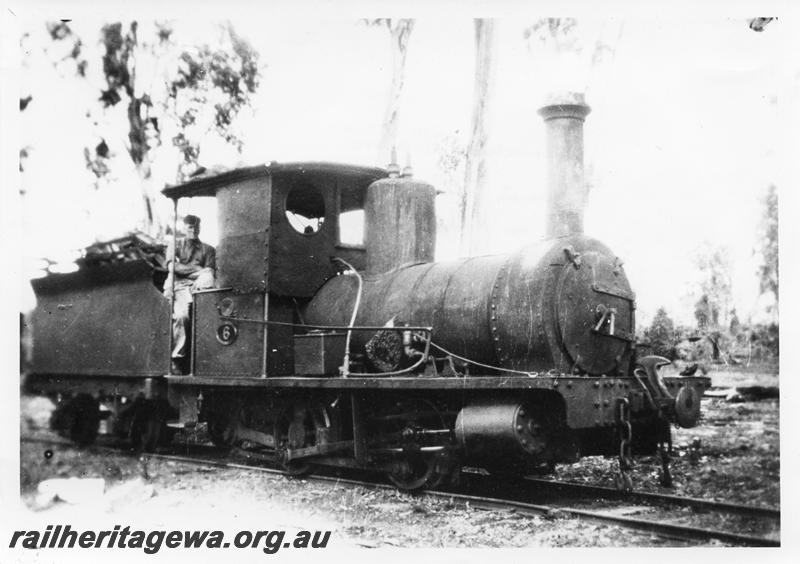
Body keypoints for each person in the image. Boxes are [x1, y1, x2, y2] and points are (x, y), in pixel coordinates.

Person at [164, 214, 215, 374]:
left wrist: (186, 270)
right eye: (189, 227)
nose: (192, 230)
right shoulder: (175, 244)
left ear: (200, 227)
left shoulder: (209, 249)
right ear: (184, 228)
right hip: (179, 287)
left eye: (195, 226)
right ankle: (177, 358)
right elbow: (172, 268)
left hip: (200, 288)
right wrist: (197, 270)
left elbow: (209, 273)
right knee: (182, 316)